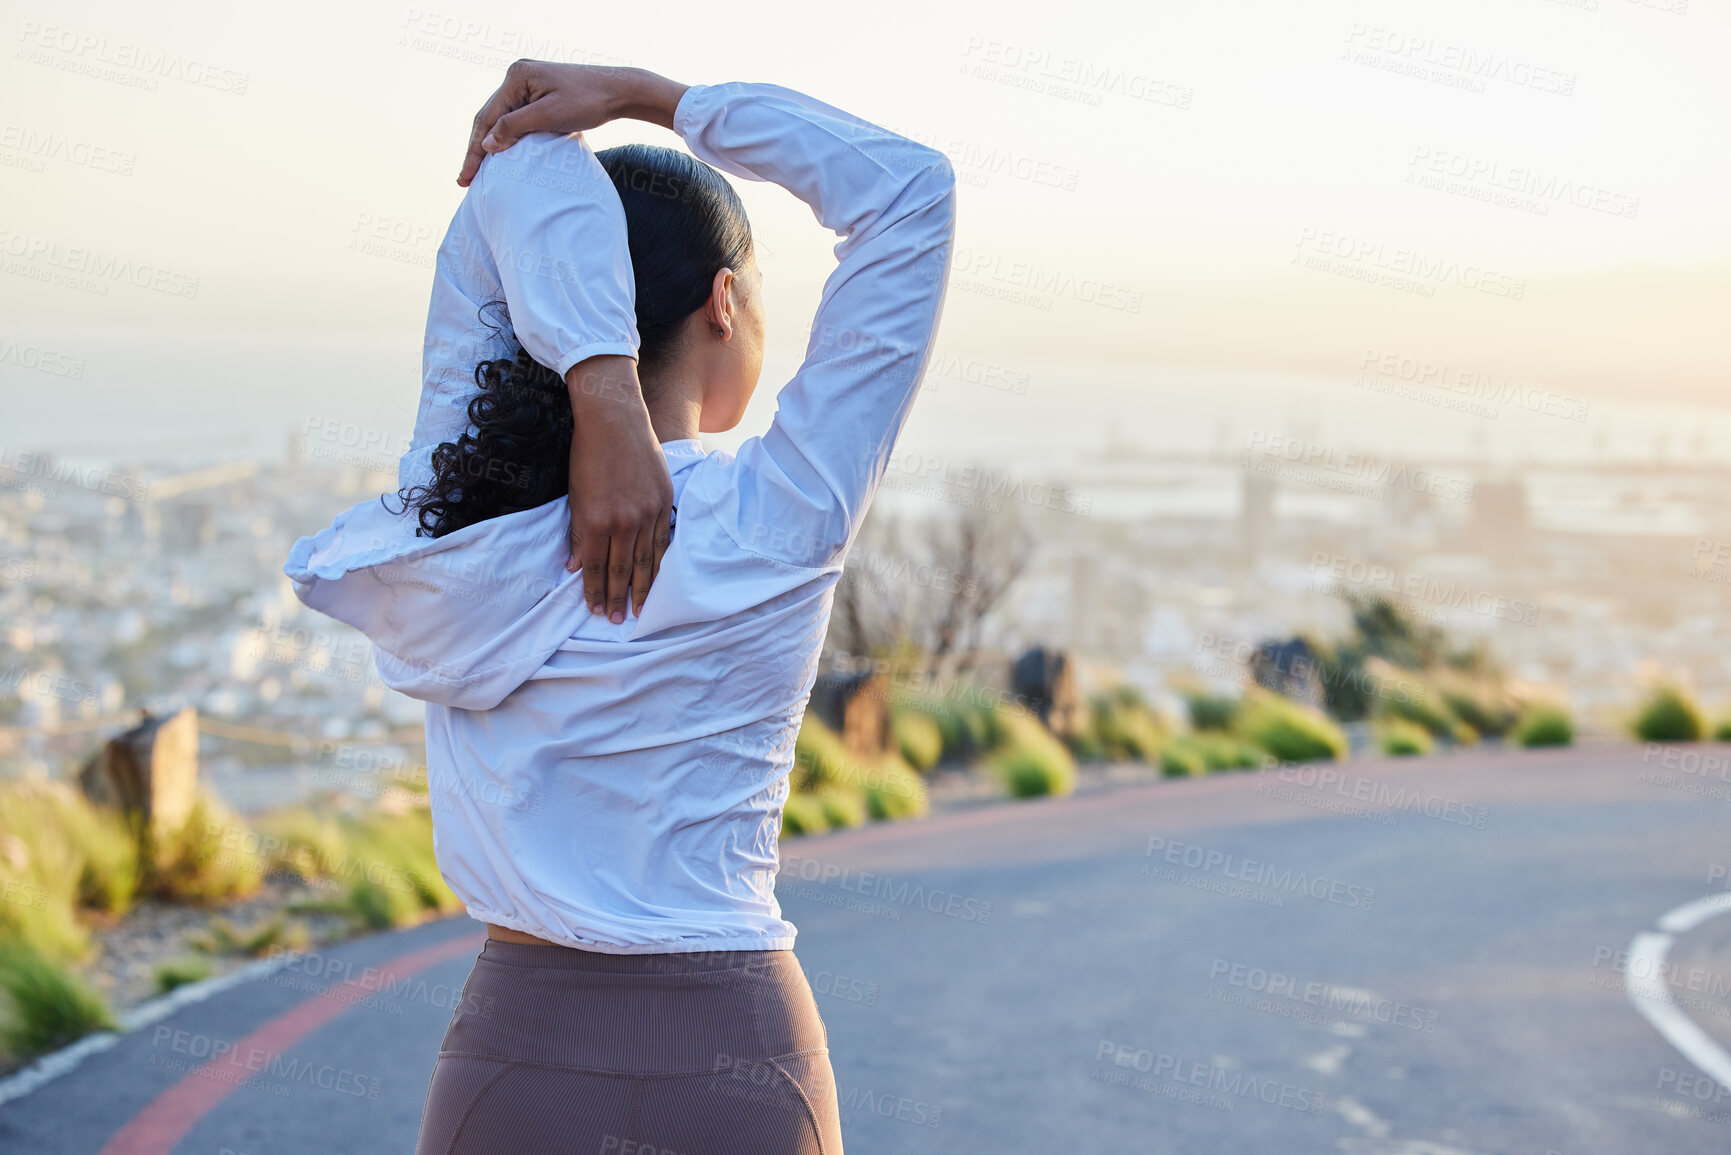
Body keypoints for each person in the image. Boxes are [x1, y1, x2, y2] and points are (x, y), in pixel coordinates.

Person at [284, 61, 955, 1153]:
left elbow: (512, 177)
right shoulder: (773, 520)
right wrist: (651, 97)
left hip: (519, 1061)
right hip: (740, 1065)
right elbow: (911, 192)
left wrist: (595, 385)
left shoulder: (460, 536)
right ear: (724, 303)